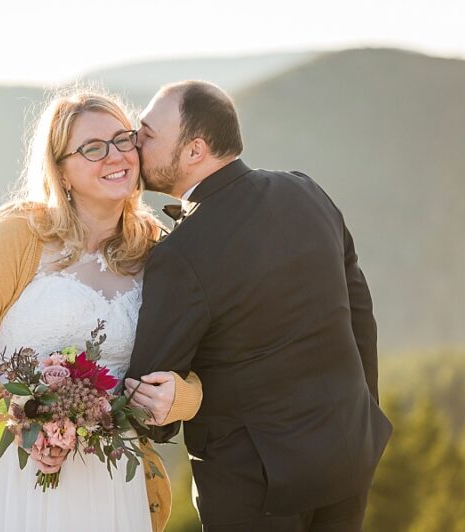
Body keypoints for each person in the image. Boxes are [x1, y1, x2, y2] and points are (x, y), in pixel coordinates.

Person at [0, 86, 202, 532]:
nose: (115, 156)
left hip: (103, 481)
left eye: (123, 139)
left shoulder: (159, 252)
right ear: (62, 171)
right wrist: (18, 422)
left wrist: (182, 399)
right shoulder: (20, 237)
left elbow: (205, 361)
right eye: (92, 148)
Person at [122, 80, 390, 532]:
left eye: (147, 133)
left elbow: (148, 396)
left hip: (253, 489)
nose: (134, 140)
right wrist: (366, 413)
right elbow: (359, 312)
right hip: (349, 455)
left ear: (194, 151)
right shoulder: (307, 192)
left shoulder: (182, 253)